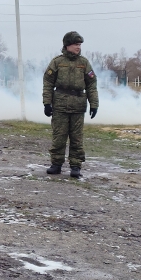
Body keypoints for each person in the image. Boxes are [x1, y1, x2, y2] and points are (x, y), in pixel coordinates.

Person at [43, 31, 99, 179]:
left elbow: (91, 84)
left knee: (76, 138)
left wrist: (94, 104)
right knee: (59, 137)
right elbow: (48, 83)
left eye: (79, 45)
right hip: (60, 105)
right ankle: (56, 164)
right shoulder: (57, 62)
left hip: (78, 106)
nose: (78, 47)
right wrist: (47, 103)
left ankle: (76, 166)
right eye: (75, 44)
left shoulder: (84, 63)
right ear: (67, 45)